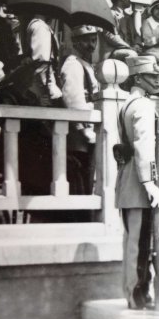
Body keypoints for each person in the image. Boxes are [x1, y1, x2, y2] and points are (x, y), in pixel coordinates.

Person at [115, 56, 159, 311]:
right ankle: (137, 294)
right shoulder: (143, 105)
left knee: (137, 241)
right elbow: (143, 145)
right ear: (138, 78)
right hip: (139, 184)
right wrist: (149, 182)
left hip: (131, 181)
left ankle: (137, 292)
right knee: (139, 243)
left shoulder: (129, 104)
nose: (156, 79)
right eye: (151, 76)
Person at [60, 25, 100, 194]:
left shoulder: (86, 65)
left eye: (93, 40)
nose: (91, 45)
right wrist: (85, 131)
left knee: (88, 180)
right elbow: (73, 100)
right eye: (86, 40)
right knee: (79, 182)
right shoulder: (73, 65)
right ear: (75, 42)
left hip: (88, 132)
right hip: (79, 136)